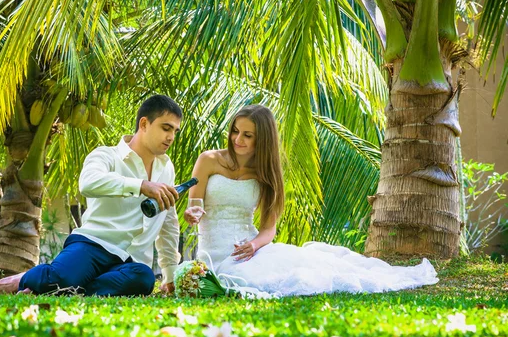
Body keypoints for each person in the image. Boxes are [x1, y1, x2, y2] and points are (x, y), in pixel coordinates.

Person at [184, 104, 438, 297]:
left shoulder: (265, 173)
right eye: (236, 132)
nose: (238, 140)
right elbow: (194, 205)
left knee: (294, 274)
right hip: (210, 253)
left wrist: (254, 245)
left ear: (262, 139)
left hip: (244, 252)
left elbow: (268, 229)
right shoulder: (208, 160)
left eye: (247, 135)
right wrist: (192, 214)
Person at [0, 94, 183, 296]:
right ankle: (26, 279)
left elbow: (168, 221)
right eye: (166, 128)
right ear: (144, 124)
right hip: (93, 244)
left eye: (175, 131)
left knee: (144, 279)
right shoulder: (106, 155)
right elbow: (88, 183)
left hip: (131, 262)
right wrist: (141, 185)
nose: (171, 137)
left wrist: (170, 274)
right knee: (63, 278)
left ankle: (56, 288)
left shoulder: (166, 168)